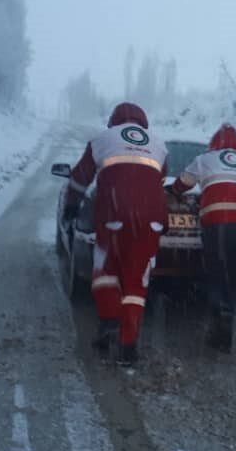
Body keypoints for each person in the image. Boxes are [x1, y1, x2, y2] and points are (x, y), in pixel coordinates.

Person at [65, 102, 167, 365]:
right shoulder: (159, 144)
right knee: (136, 283)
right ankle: (128, 345)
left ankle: (109, 322)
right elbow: (160, 179)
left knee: (105, 271)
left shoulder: (102, 139)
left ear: (114, 121)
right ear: (143, 123)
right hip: (149, 221)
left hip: (113, 216)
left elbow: (80, 177)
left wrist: (72, 206)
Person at [171, 123, 236, 351]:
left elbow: (183, 184)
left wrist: (172, 192)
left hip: (218, 224)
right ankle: (227, 320)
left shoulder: (206, 159)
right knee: (231, 274)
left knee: (216, 272)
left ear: (215, 142)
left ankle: (218, 321)